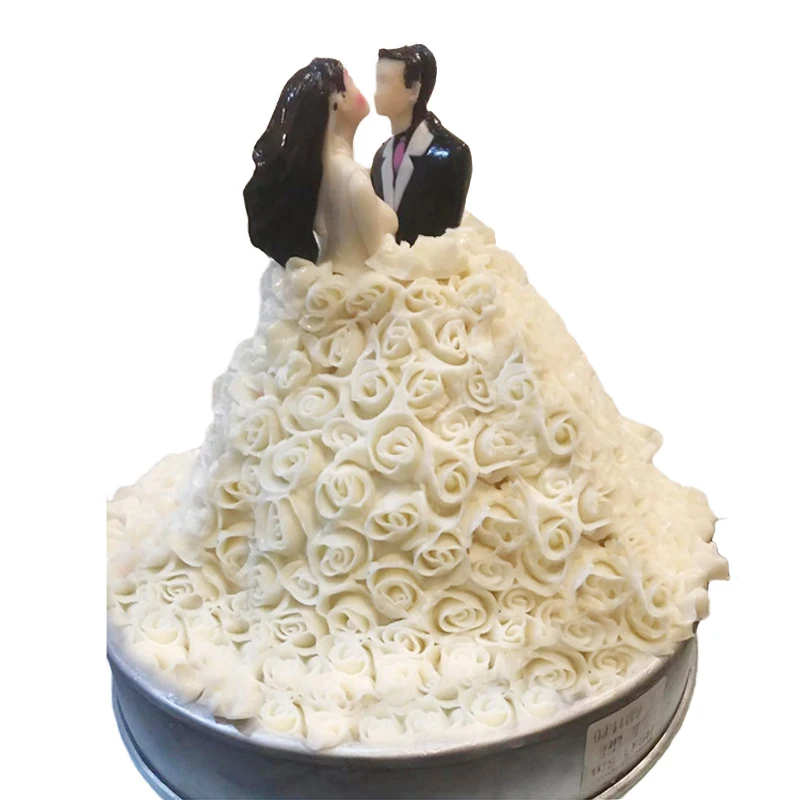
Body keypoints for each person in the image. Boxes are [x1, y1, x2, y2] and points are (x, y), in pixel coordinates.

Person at [244, 58, 397, 269]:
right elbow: (383, 261)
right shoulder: (353, 180)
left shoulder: (324, 174)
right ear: (339, 100)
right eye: (351, 81)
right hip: (360, 283)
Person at [370, 45, 472, 246]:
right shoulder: (381, 157)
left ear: (414, 90)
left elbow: (446, 239)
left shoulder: (451, 156)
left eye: (384, 82)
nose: (376, 93)